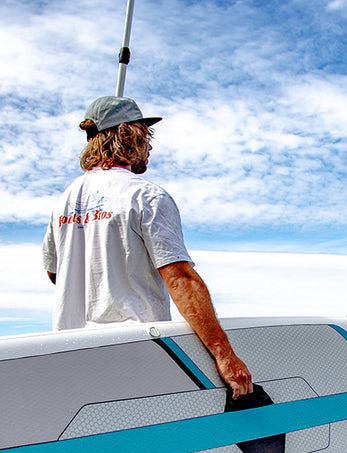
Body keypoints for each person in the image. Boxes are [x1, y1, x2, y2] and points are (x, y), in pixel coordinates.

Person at [44, 95, 253, 398]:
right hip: (135, 354)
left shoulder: (64, 202)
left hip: (74, 355)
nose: (150, 147)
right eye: (145, 137)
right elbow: (180, 279)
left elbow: (55, 272)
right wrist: (224, 355)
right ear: (127, 133)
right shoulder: (145, 196)